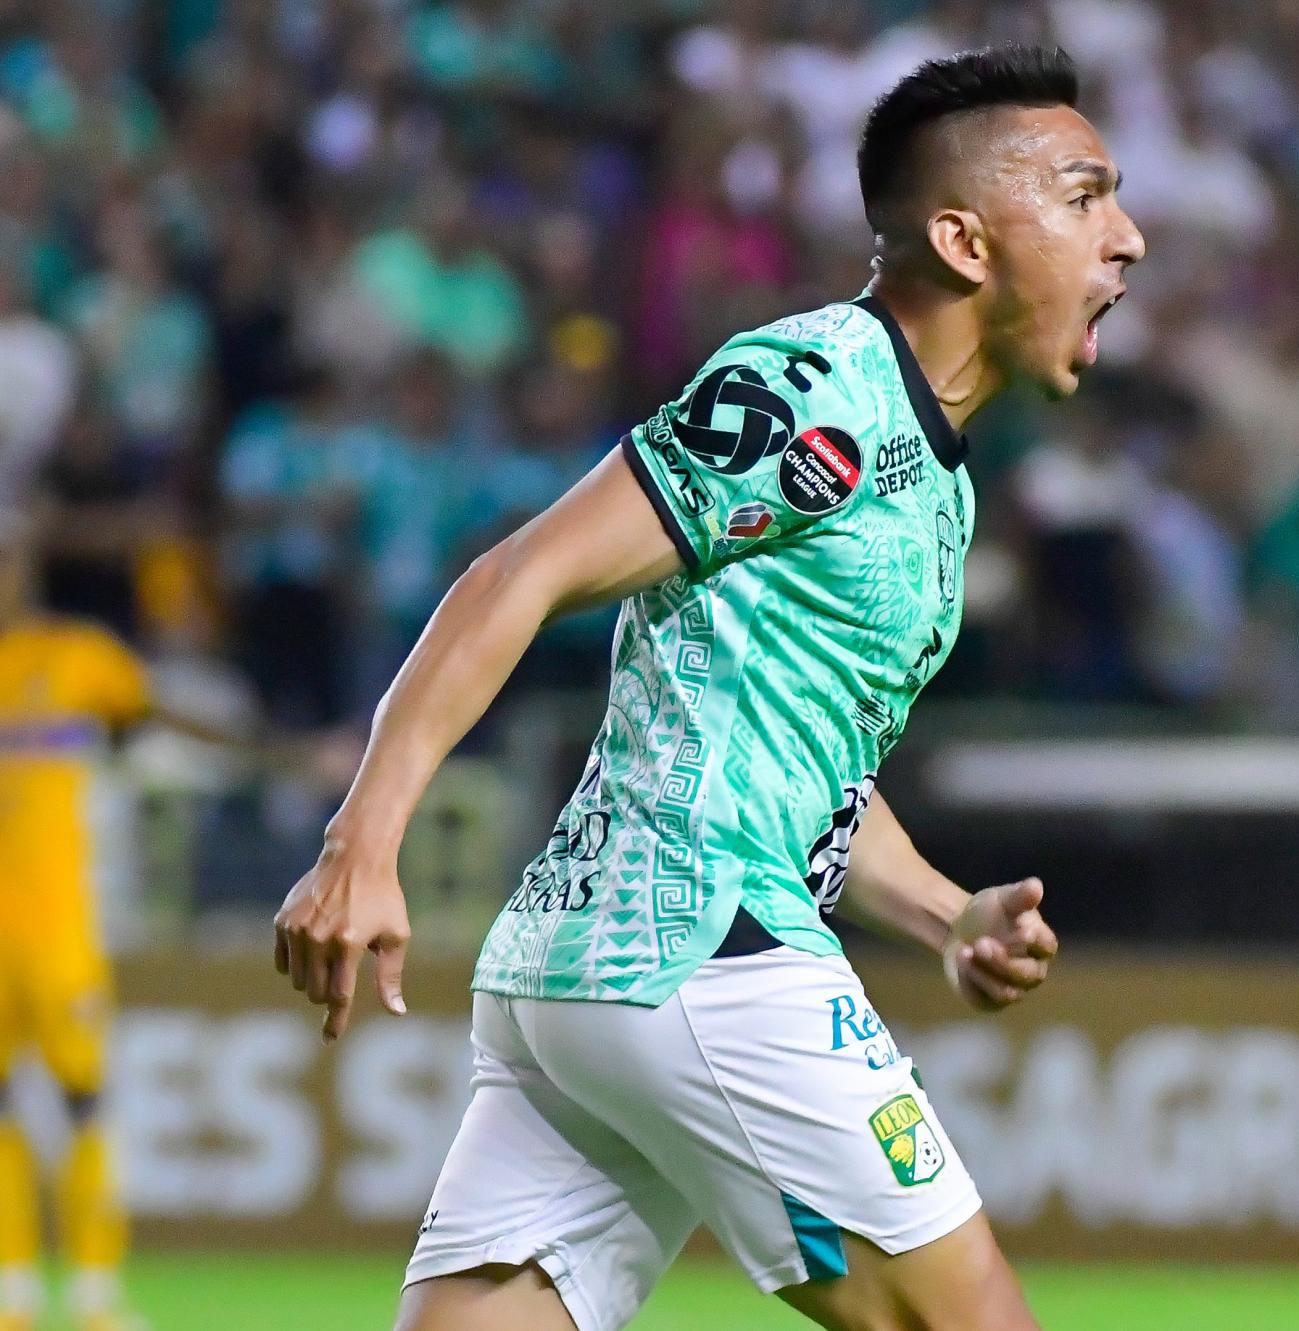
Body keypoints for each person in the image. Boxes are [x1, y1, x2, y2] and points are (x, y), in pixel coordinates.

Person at [273, 45, 1141, 1331]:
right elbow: (517, 575)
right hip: (700, 946)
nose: (1125, 238)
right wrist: (363, 839)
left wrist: (944, 912)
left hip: (585, 967)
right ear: (963, 240)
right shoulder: (808, 388)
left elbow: (794, 756)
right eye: (1083, 197)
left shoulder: (938, 474)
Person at [0, 515, 242, 1331]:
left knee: (82, 1100)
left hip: (60, 925)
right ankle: (13, 1289)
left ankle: (95, 1291)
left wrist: (274, 750)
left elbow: (162, 719)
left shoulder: (77, 658)